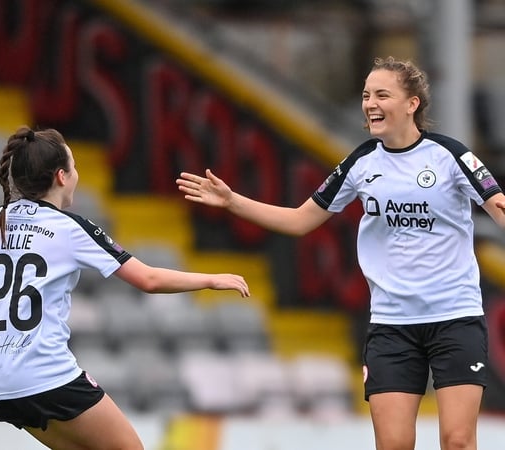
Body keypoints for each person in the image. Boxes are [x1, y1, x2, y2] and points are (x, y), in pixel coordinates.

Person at [177, 56, 505, 450]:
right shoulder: (361, 162)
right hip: (392, 325)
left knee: (457, 442)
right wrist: (233, 202)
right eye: (366, 95)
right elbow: (299, 221)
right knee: (394, 445)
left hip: (455, 318)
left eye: (382, 94)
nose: (370, 104)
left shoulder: (450, 155)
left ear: (412, 103)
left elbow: (497, 205)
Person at [0, 126, 250, 450]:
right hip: (43, 373)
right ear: (62, 177)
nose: (77, 174)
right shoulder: (69, 227)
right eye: (74, 167)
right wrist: (210, 279)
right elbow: (148, 280)